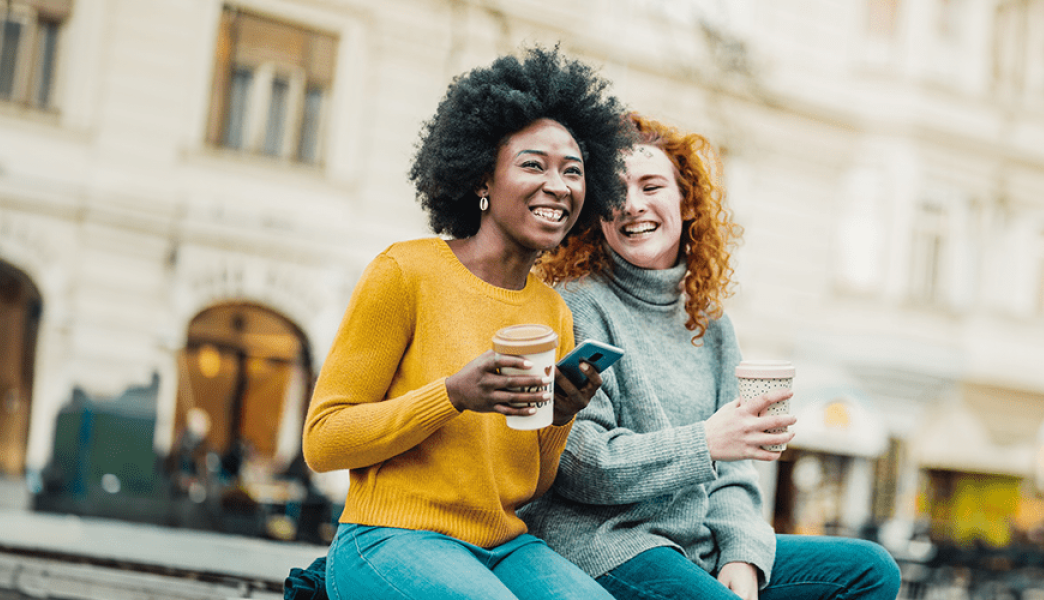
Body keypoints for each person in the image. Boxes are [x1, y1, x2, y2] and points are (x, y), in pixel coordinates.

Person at [301, 46, 634, 600]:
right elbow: (324, 441)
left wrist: (557, 417)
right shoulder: (405, 272)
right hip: (388, 535)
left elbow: (530, 483)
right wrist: (453, 394)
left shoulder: (553, 311)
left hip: (503, 545)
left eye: (573, 172)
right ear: (482, 178)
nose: (559, 185)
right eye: (534, 164)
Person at [524, 113, 901, 600]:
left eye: (651, 185)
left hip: (695, 545)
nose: (632, 205)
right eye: (614, 192)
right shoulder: (578, 305)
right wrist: (704, 441)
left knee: (871, 570)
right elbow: (581, 466)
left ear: (687, 202)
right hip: (607, 543)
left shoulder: (711, 323)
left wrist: (743, 553)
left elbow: (736, 468)